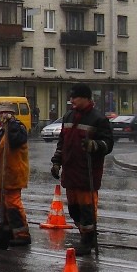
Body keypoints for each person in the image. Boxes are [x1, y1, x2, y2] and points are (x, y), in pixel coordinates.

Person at [51, 84, 114, 256]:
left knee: (87, 209)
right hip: (71, 171)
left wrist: (94, 145)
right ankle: (87, 235)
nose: (72, 101)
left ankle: (87, 241)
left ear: (86, 98)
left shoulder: (98, 119)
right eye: (71, 97)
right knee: (73, 209)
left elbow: (108, 144)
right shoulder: (69, 116)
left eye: (75, 97)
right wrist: (57, 162)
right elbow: (62, 142)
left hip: (87, 173)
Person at [0, 102, 30, 247]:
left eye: (6, 113)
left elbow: (15, 141)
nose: (3, 116)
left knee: (12, 203)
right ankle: (8, 229)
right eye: (1, 113)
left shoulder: (18, 128)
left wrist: (11, 124)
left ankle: (22, 234)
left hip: (12, 173)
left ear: (12, 114)